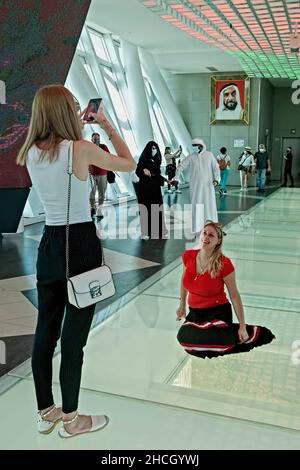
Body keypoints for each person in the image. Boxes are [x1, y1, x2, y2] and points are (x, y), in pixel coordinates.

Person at [16, 84, 135, 437]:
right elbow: (127, 162)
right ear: (66, 111)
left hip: (49, 245)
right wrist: (107, 124)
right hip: (79, 244)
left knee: (45, 332)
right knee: (74, 338)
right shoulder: (80, 150)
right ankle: (72, 418)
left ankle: (46, 411)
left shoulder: (30, 152)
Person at [176, 220, 275, 358]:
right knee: (183, 339)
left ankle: (241, 332)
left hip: (217, 312)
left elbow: (234, 296)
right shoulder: (188, 256)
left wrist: (241, 326)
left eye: (211, 235)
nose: (206, 237)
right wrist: (182, 305)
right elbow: (184, 280)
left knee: (224, 342)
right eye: (204, 233)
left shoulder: (224, 264)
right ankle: (221, 334)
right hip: (195, 313)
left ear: (218, 241)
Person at [174, 138, 220, 236]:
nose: (194, 148)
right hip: (196, 188)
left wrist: (217, 179)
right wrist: (176, 178)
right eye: (193, 146)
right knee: (197, 207)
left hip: (208, 186)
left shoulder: (209, 155)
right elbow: (180, 166)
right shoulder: (191, 157)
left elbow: (216, 167)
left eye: (196, 146)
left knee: (209, 206)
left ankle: (213, 229)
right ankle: (198, 230)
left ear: (201, 145)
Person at [135, 141, 169, 240]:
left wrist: (166, 180)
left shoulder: (156, 160)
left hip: (155, 189)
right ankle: (145, 232)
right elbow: (138, 171)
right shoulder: (143, 159)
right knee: (146, 209)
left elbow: (157, 175)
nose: (154, 150)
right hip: (145, 189)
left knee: (156, 209)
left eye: (155, 148)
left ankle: (158, 231)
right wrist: (143, 171)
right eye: (152, 148)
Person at [89, 132, 108, 219]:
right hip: (91, 173)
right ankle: (92, 208)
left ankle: (100, 209)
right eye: (95, 138)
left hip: (102, 173)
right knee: (92, 192)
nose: (97, 140)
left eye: (98, 138)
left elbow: (108, 156)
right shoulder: (88, 148)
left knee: (101, 193)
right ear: (91, 139)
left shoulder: (103, 147)